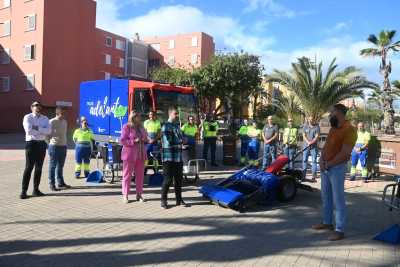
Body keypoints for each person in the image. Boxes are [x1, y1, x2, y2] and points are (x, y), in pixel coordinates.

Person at [312, 104, 357, 241]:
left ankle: (339, 229)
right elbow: (326, 147)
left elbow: (345, 154)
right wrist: (321, 161)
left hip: (336, 168)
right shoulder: (333, 127)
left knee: (338, 199)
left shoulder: (350, 130)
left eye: (331, 112)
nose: (329, 115)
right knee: (326, 197)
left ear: (339, 113)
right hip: (326, 167)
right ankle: (327, 222)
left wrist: (329, 164)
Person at [21, 101, 51, 199]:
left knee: (39, 168)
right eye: (35, 105)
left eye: (39, 105)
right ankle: (24, 191)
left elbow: (48, 131)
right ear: (31, 107)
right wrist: (42, 129)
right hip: (31, 144)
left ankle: (36, 190)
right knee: (29, 167)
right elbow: (28, 131)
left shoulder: (45, 118)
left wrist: (36, 128)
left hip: (42, 144)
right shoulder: (27, 117)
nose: (37, 107)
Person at [161, 106, 189, 209]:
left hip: (178, 157)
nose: (177, 116)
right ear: (170, 114)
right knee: (167, 180)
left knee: (178, 180)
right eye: (175, 114)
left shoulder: (177, 126)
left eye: (177, 114)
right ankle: (163, 200)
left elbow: (180, 137)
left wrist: (184, 139)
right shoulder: (166, 126)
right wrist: (181, 142)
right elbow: (169, 141)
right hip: (168, 157)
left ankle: (179, 199)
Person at [120, 111, 149, 203]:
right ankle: (125, 195)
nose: (139, 118)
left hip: (141, 154)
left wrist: (145, 139)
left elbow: (146, 137)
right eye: (137, 116)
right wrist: (133, 141)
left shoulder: (141, 127)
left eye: (140, 116)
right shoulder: (126, 127)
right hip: (129, 155)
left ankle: (139, 194)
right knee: (127, 175)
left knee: (140, 176)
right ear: (133, 117)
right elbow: (122, 140)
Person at [48, 107, 70, 191]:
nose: (64, 115)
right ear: (57, 113)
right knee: (52, 166)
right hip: (54, 147)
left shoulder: (65, 122)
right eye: (63, 113)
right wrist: (50, 143)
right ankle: (52, 184)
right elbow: (47, 135)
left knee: (60, 166)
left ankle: (60, 183)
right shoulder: (51, 122)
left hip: (63, 146)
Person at [302, 115, 320, 182]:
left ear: (313, 120)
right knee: (304, 160)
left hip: (314, 147)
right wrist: (308, 142)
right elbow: (304, 135)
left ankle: (313, 177)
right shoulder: (305, 126)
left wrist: (311, 142)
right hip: (306, 146)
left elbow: (317, 136)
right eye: (309, 119)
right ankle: (303, 176)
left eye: (312, 119)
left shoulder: (317, 127)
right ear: (308, 120)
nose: (310, 120)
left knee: (314, 161)